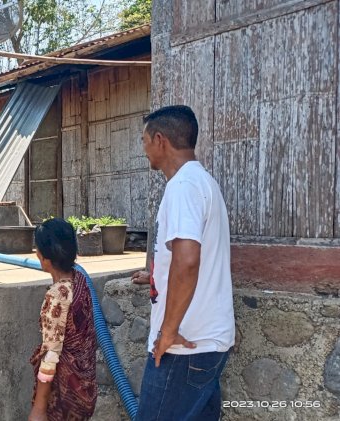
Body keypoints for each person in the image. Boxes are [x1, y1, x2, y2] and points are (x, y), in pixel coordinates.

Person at [132, 105, 235, 421]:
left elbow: (188, 261)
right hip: (208, 342)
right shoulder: (202, 182)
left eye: (145, 140)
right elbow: (188, 257)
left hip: (184, 347)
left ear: (160, 140)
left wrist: (168, 331)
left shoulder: (182, 187)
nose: (144, 148)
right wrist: (155, 275)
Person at [29, 218, 97, 421]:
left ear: (45, 257)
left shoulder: (58, 295)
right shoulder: (80, 280)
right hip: (85, 388)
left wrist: (39, 408)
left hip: (65, 394)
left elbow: (51, 355)